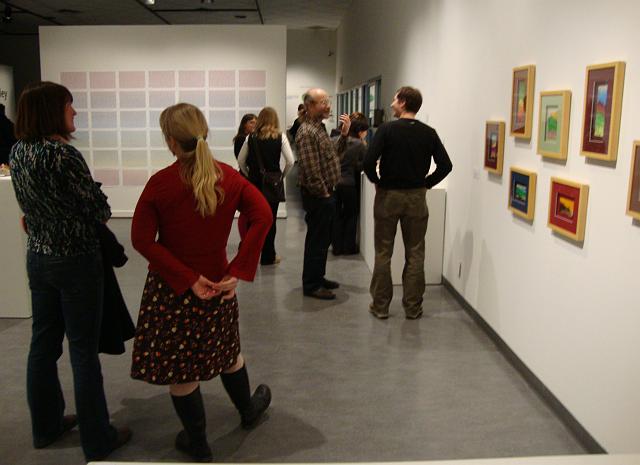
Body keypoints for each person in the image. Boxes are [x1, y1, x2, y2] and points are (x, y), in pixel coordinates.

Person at [130, 103, 273, 462]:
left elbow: (141, 240)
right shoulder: (229, 177)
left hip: (172, 289)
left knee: (182, 370)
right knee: (228, 353)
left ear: (170, 142)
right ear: (205, 134)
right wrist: (237, 270)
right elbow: (263, 216)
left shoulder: (160, 184)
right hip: (219, 285)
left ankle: (198, 442)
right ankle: (248, 411)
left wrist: (189, 279)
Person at [9, 81, 131, 461]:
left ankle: (45, 427)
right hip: (76, 261)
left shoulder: (18, 151)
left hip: (39, 259)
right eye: (69, 106)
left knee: (42, 345)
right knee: (82, 351)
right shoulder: (64, 156)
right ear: (52, 111)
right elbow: (98, 210)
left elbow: (30, 209)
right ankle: (97, 438)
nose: (74, 113)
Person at [363, 86, 452, 320]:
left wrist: (377, 181)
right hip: (416, 197)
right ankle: (413, 307)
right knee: (415, 252)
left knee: (383, 252)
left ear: (403, 103)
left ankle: (380, 306)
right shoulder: (428, 133)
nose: (391, 103)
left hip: (388, 196)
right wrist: (426, 183)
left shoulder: (387, 130)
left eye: (394, 99)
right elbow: (446, 165)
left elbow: (368, 161)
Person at [295, 88, 351, 300]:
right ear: (309, 106)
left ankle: (318, 277)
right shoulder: (307, 132)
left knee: (322, 240)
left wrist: (344, 135)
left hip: (326, 194)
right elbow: (311, 171)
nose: (328, 106)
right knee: (317, 241)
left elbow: (332, 157)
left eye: (328, 102)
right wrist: (325, 194)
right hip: (318, 196)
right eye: (322, 102)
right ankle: (311, 284)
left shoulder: (319, 128)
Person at [237, 106, 294, 265]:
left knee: (253, 220)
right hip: (272, 184)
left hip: (254, 183)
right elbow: (290, 161)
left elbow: (241, 160)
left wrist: (248, 174)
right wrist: (282, 176)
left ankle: (250, 256)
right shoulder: (280, 137)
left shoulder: (251, 138)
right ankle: (268, 256)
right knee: (271, 220)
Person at [332, 118, 369, 255]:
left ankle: (336, 246)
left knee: (336, 215)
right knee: (351, 215)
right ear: (360, 132)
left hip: (335, 183)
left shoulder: (335, 140)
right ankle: (348, 246)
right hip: (349, 183)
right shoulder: (360, 144)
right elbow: (364, 164)